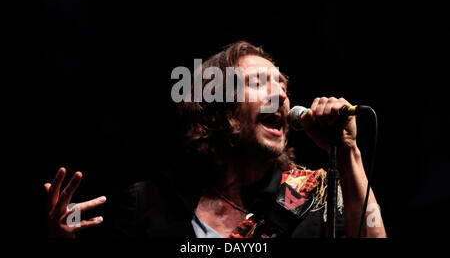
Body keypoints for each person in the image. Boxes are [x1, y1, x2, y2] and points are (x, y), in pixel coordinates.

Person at [44, 41, 386, 238]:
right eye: (258, 82)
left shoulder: (316, 198)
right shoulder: (149, 204)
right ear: (217, 109)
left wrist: (348, 152)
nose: (280, 95)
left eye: (282, 85)